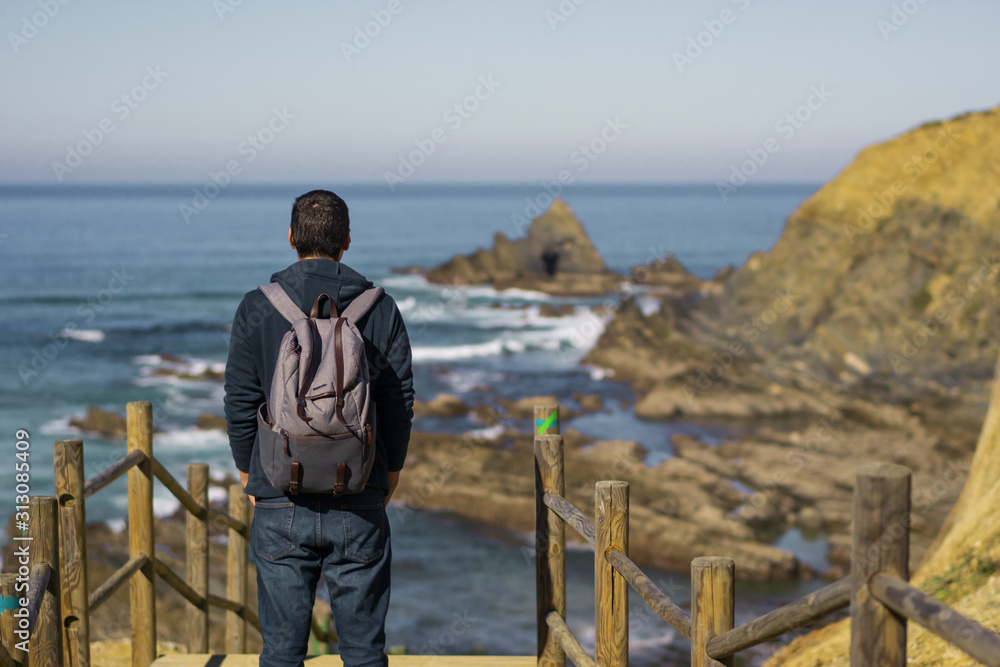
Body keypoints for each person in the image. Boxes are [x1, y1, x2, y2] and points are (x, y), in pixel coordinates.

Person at [224, 189, 414, 667]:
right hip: (359, 492)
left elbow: (241, 402)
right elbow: (398, 404)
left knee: (283, 654)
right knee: (365, 655)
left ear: (290, 238)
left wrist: (252, 479)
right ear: (347, 240)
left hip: (278, 493)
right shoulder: (381, 308)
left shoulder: (256, 306)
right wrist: (388, 478)